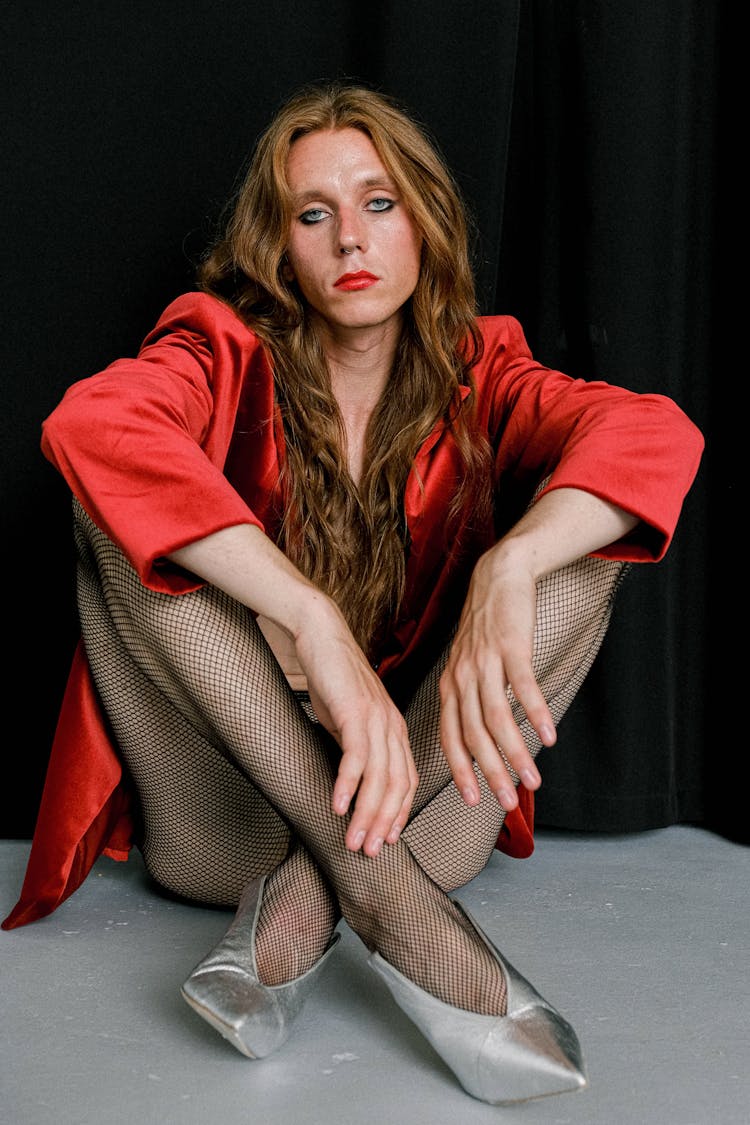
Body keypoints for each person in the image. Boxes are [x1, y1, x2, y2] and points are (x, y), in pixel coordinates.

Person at [3, 81, 703, 1105]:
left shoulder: (483, 370)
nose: (350, 242)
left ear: (423, 222)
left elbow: (657, 436)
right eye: (313, 214)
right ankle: (388, 910)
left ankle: (319, 897)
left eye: (379, 203)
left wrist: (509, 566)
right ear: (277, 246)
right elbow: (93, 426)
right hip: (229, 818)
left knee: (586, 541)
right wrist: (306, 614)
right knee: (107, 510)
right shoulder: (219, 352)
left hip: (418, 808)